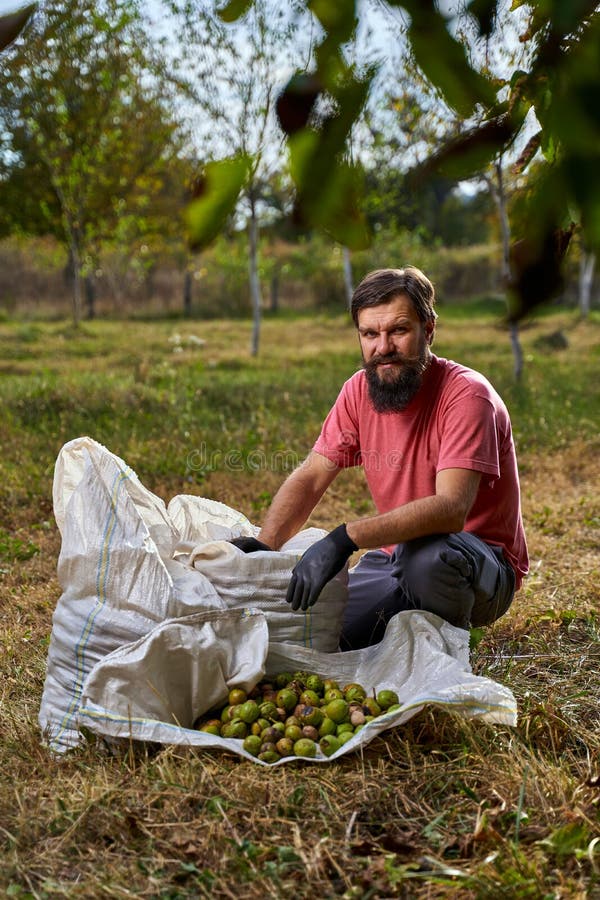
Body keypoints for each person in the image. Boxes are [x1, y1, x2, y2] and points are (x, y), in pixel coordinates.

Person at [233, 267, 528, 650]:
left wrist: (345, 538)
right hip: (394, 559)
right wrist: (267, 543)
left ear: (429, 329)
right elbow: (312, 476)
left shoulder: (467, 396)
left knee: (426, 559)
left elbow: (451, 509)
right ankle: (401, 620)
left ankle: (445, 645)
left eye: (398, 331)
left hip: (477, 565)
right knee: (321, 637)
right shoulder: (358, 391)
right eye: (370, 334)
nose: (382, 347)